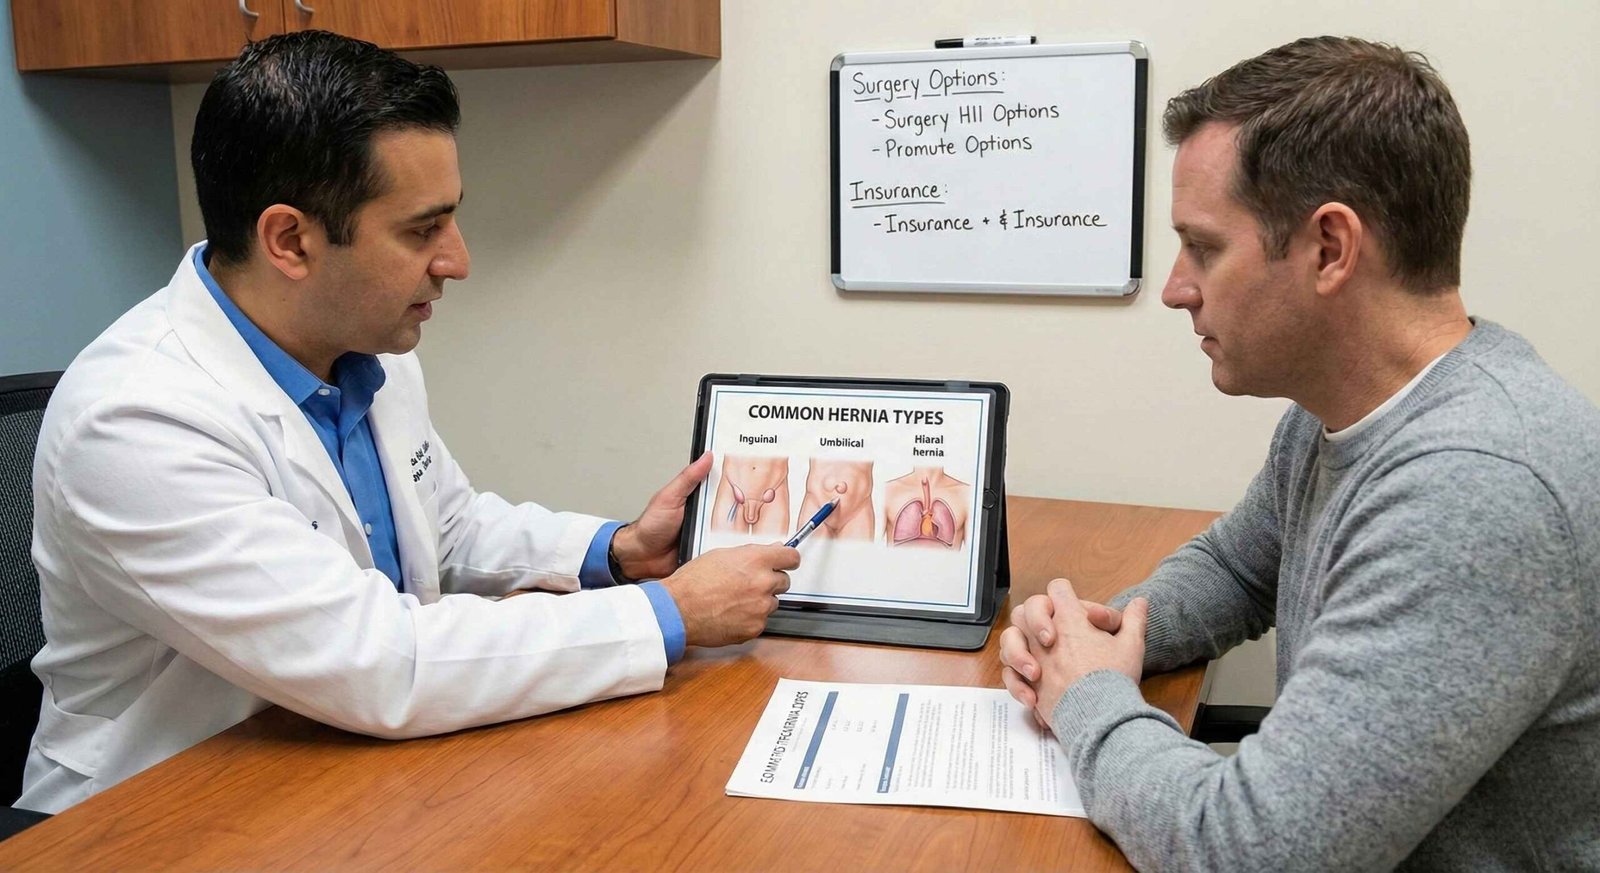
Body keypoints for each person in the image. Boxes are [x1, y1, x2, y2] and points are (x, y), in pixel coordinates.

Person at [19, 31, 798, 814]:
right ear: (290, 239)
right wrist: (669, 613)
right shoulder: (136, 418)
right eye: (422, 230)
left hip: (333, 774)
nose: (456, 260)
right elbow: (378, 660)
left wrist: (618, 551)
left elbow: (448, 532)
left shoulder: (363, 348)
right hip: (150, 814)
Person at [999, 36, 1599, 870]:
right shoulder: (1347, 415)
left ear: (1330, 248)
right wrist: (1097, 631)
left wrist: (1089, 695)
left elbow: (1253, 851)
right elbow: (1240, 569)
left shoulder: (1475, 488)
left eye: (1203, 246)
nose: (1176, 287)